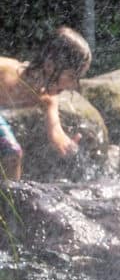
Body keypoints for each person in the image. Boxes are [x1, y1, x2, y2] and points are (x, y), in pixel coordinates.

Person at [0, 27, 92, 180]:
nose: (73, 85)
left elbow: (55, 132)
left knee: (12, 156)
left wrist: (66, 144)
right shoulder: (8, 72)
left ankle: (10, 202)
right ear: (49, 65)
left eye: (78, 78)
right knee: (11, 152)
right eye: (71, 76)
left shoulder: (47, 97)